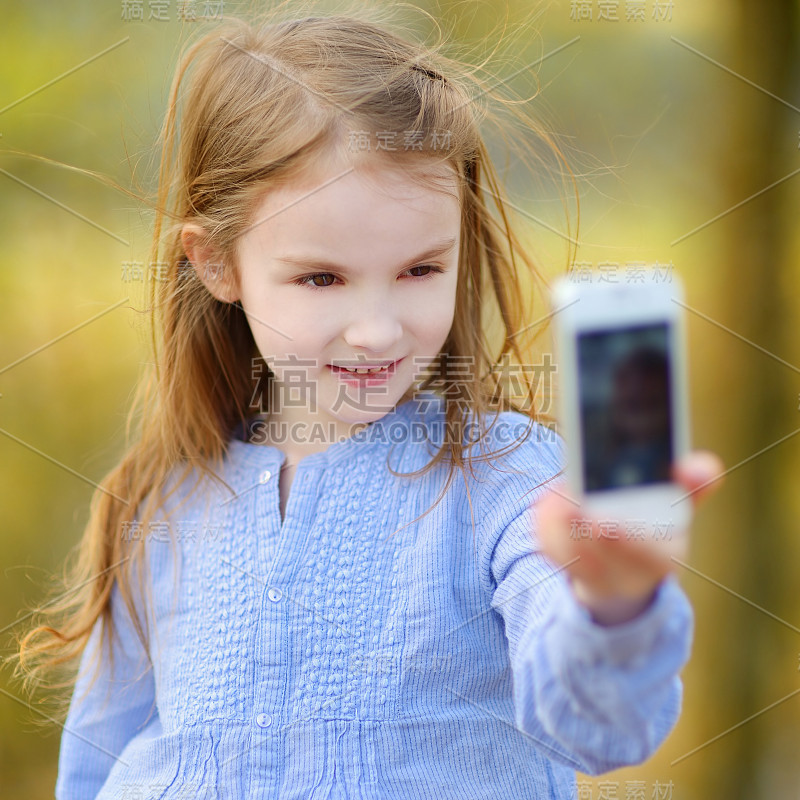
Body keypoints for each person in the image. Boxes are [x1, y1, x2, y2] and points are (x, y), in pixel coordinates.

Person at [13, 5, 723, 799]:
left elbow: (598, 730)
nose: (379, 330)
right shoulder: (160, 503)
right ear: (216, 263)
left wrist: (613, 606)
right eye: (322, 278)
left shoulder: (507, 482)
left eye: (421, 269)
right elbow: (95, 766)